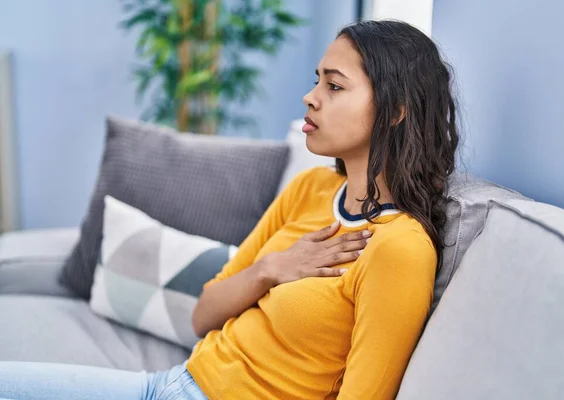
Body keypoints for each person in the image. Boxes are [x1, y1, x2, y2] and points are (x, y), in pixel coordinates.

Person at [0, 19, 459, 399]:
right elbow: (203, 315)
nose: (311, 96)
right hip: (171, 386)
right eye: (316, 79)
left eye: (335, 86)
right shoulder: (310, 189)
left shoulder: (399, 249)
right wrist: (274, 267)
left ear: (397, 110)